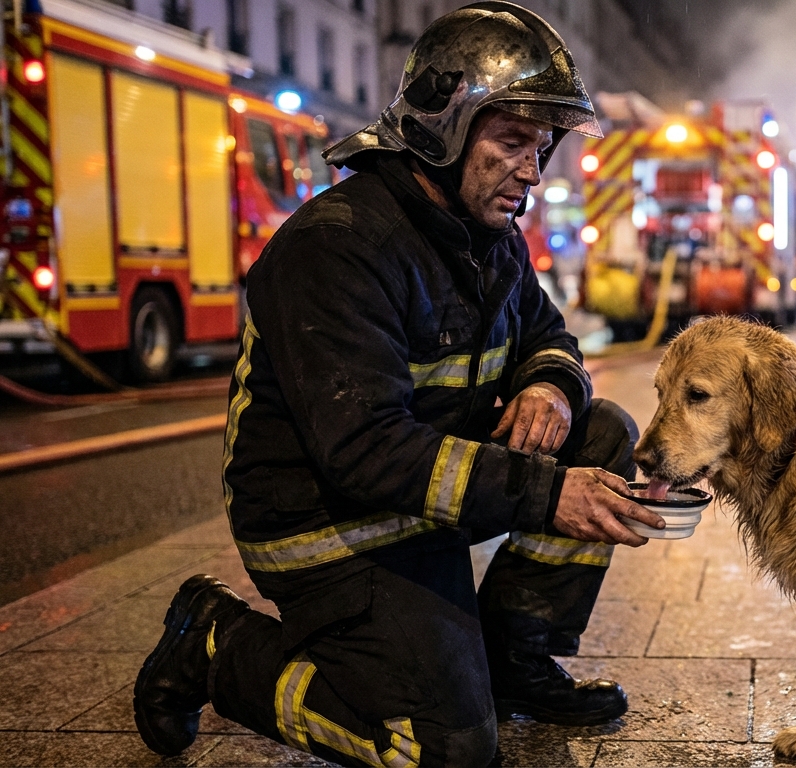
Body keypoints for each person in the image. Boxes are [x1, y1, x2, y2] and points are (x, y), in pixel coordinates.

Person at [131, 5, 666, 767]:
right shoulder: (339, 248)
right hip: (327, 528)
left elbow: (549, 337)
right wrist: (547, 494)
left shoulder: (490, 239)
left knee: (601, 429)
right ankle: (215, 646)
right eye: (513, 141)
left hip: (418, 506)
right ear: (442, 125)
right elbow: (364, 449)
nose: (534, 170)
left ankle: (516, 661)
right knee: (445, 750)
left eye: (543, 146)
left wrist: (549, 386)